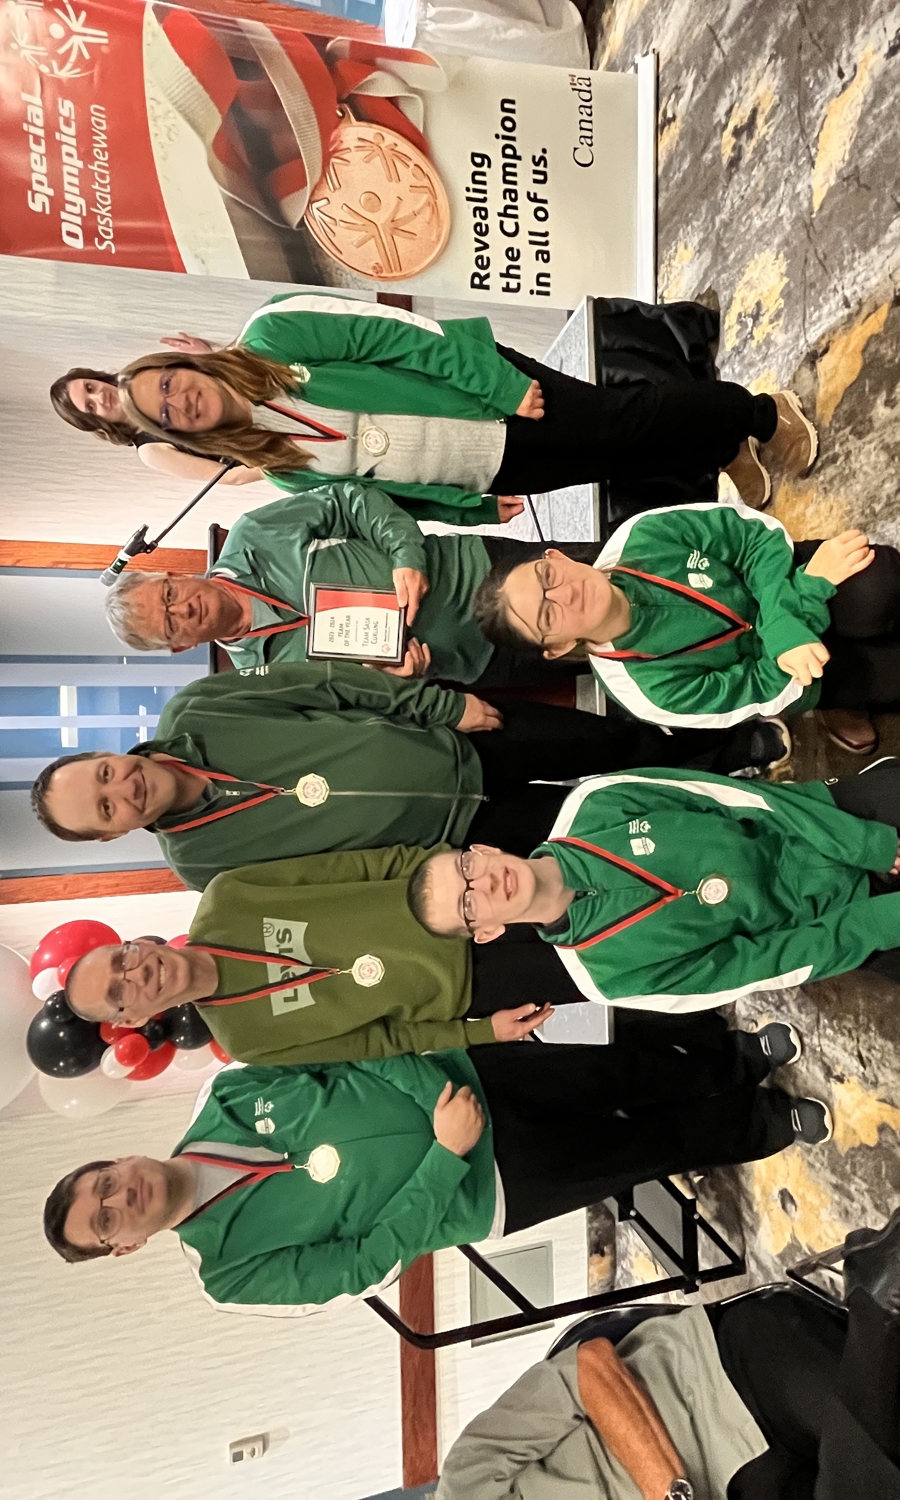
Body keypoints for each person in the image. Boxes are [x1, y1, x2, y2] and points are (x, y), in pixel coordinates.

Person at [43, 1030, 829, 1311]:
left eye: (104, 1183)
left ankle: (736, 1058)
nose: (121, 1197)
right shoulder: (230, 1273)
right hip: (483, 1188)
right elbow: (364, 1260)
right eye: (107, 1217)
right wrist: (445, 1155)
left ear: (117, 1159)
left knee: (611, 1073)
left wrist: (439, 1102)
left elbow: (344, 1053)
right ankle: (761, 1124)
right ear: (126, 1246)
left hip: (462, 1081)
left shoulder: (227, 1095)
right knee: (635, 1151)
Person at [28, 661, 791, 892]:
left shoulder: (201, 706)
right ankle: (738, 809)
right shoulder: (202, 867)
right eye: (103, 808)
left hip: (459, 741)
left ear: (111, 750)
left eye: (102, 772)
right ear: (115, 831)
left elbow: (327, 687)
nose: (118, 788)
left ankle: (731, 753)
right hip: (463, 839)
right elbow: (332, 881)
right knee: (614, 823)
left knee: (613, 745)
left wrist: (440, 704)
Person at [115, 291, 817, 525]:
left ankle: (756, 414)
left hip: (492, 396)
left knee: (617, 422)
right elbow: (381, 500)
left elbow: (397, 334)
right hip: (482, 467)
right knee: (612, 457)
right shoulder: (279, 467)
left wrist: (495, 384)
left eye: (169, 385)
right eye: (166, 414)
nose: (180, 402)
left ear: (184, 362)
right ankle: (716, 444)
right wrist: (469, 509)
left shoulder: (273, 332)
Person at [408, 759, 900, 1010]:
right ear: (487, 933)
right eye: (469, 906)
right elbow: (762, 964)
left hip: (827, 824)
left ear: (484, 851)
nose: (486, 885)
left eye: (467, 869)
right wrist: (877, 921)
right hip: (835, 920)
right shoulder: (605, 978)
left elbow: (740, 798)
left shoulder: (595, 805)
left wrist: (866, 846)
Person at [62, 847, 588, 1061]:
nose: (136, 971)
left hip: (467, 903)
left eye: (122, 957)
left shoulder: (227, 898)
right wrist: (479, 1031)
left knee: (587, 881)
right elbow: (378, 1042)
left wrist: (457, 865)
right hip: (475, 987)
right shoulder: (245, 1042)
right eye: (119, 991)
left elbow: (363, 865)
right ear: (132, 1018)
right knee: (603, 956)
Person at [471, 499, 900, 754]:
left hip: (792, 578)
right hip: (792, 675)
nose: (563, 594)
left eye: (547, 578)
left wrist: (794, 609)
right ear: (559, 648)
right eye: (547, 616)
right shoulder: (644, 692)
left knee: (879, 584)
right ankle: (842, 704)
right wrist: (791, 634)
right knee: (887, 674)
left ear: (557, 557)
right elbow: (758, 692)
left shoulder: (641, 535)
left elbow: (752, 537)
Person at [436, 1271, 900, 1500]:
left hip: (718, 1379)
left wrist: (671, 1493)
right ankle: (876, 1307)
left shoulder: (466, 1480)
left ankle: (878, 1294)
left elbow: (589, 1369)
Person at [104, 486, 598, 687]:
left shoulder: (255, 534)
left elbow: (351, 500)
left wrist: (406, 557)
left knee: (617, 571)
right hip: (482, 659)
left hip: (483, 569)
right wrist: (394, 683)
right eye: (171, 623)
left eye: (169, 596)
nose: (183, 610)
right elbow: (356, 708)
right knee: (615, 657)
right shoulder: (265, 677)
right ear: (179, 646)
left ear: (173, 575)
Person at [50, 336, 266, 487]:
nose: (100, 397)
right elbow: (230, 477)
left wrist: (209, 358)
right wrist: (281, 464)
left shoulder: (145, 377)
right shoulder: (150, 451)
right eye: (91, 406)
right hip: (268, 446)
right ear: (96, 424)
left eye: (91, 387)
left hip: (267, 402)